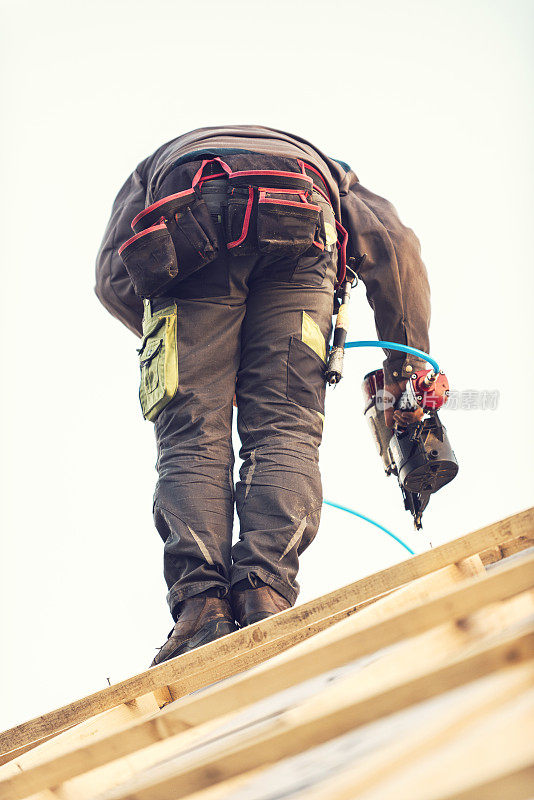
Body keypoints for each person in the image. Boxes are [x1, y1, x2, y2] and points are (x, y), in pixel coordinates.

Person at [95, 125, 430, 666]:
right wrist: (406, 366)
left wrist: (198, 359)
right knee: (286, 427)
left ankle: (202, 609)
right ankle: (264, 592)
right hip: (306, 231)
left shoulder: (155, 164)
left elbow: (113, 277)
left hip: (189, 226)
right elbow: (395, 247)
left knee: (193, 433)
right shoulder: (330, 172)